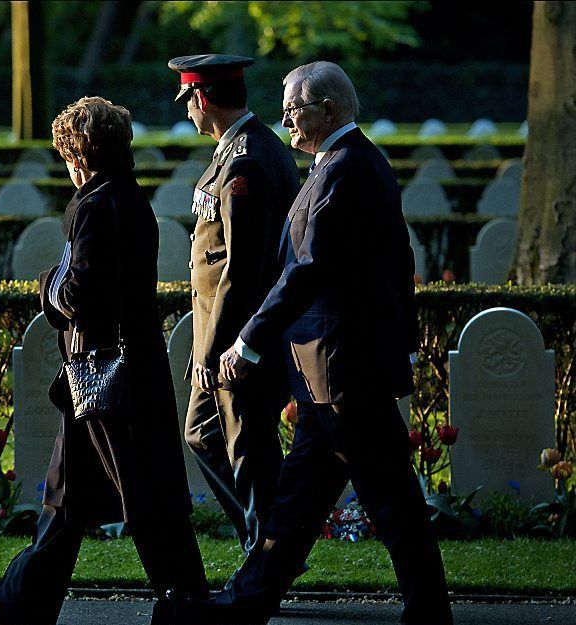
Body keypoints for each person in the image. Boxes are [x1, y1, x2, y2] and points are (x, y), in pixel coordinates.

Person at [173, 61, 454, 625]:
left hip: (344, 370)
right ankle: (248, 602)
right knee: (299, 504)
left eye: (295, 108)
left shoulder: (347, 169)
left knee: (390, 500)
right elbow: (394, 261)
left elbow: (309, 268)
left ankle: (428, 610)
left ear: (328, 109)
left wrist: (248, 341)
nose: (285, 119)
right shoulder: (347, 163)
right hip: (332, 370)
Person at [0, 96, 208, 625]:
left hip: (106, 376)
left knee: (145, 498)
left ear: (78, 155)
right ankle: (21, 608)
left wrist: (43, 286)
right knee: (66, 498)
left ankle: (188, 602)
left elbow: (76, 293)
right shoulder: (128, 198)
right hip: (106, 374)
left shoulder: (98, 206)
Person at [168, 54, 299, 555]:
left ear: (202, 99)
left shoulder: (245, 160)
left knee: (247, 448)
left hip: (239, 342)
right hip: (223, 336)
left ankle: (269, 553)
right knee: (205, 434)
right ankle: (265, 541)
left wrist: (213, 351)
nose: (187, 113)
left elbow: (240, 270)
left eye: (188, 103)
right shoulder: (241, 149)